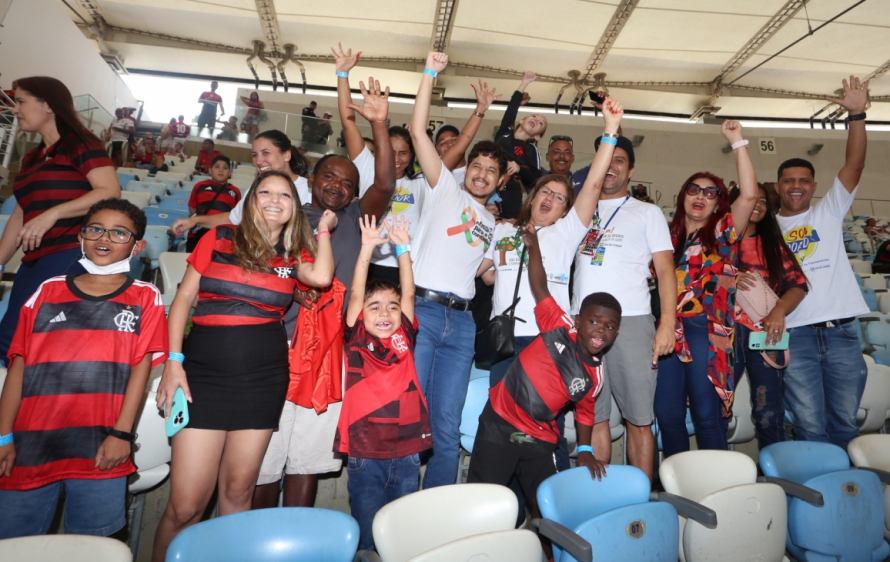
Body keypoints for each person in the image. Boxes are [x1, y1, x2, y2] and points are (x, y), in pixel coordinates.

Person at [151, 171, 336, 561]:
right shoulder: (219, 237)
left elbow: (321, 277)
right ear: (250, 200)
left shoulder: (291, 256)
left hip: (262, 380)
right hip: (202, 376)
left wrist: (323, 230)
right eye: (265, 191)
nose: (274, 200)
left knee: (238, 493)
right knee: (185, 507)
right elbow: (182, 300)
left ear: (294, 207)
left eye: (285, 195)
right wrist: (173, 362)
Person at [248, 80, 396, 510]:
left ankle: (297, 535)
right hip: (276, 347)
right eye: (329, 176)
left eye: (347, 182)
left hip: (331, 353)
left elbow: (386, 183)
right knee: (264, 461)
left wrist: (380, 125)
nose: (337, 185)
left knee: (307, 461)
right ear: (310, 179)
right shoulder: (282, 214)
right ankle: (257, 538)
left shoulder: (356, 218)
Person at [477, 96, 623, 520]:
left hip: (549, 344)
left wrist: (610, 132)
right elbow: (483, 276)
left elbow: (592, 187)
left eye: (560, 197)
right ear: (533, 193)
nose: (551, 199)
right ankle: (509, 517)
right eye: (546, 191)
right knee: (500, 435)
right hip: (506, 345)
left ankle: (550, 515)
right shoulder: (503, 232)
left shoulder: (566, 233)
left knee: (547, 435)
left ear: (565, 208)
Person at [0, 199, 167, 539]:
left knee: (94, 545)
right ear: (81, 237)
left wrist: (122, 435)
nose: (104, 237)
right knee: (14, 543)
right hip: (31, 444)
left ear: (137, 247)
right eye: (95, 229)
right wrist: (3, 436)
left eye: (119, 232)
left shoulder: (146, 297)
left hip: (102, 446)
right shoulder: (47, 291)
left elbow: (140, 371)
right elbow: (18, 367)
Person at [468, 224, 619, 531]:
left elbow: (585, 413)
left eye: (610, 326)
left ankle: (552, 549)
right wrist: (534, 247)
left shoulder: (594, 376)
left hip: (538, 439)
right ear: (578, 320)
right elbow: (539, 284)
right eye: (594, 321)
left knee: (550, 510)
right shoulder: (557, 326)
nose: (601, 330)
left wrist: (586, 451)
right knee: (484, 503)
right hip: (498, 424)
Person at [407, 52, 504, 489]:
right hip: (422, 312)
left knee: (446, 427)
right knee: (411, 416)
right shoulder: (443, 188)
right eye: (477, 166)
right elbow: (417, 130)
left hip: (462, 323)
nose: (482, 174)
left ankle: (436, 512)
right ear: (466, 170)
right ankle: (400, 512)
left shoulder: (494, 225)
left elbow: (486, 274)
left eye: (491, 170)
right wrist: (430, 72)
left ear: (500, 180)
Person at [571, 133, 675, 482]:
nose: (611, 166)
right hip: (582, 324)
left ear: (631, 171)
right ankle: (600, 496)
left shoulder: (647, 212)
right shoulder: (579, 209)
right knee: (594, 416)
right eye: (606, 159)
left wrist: (666, 323)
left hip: (631, 322)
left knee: (639, 419)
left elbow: (665, 270)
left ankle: (640, 496)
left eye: (620, 160)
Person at [775, 75, 869, 452]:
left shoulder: (828, 212)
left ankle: (847, 488)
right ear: (778, 186)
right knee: (809, 427)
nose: (796, 186)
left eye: (803, 180)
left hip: (841, 332)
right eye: (788, 181)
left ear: (814, 187)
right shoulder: (768, 229)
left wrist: (857, 115)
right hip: (796, 334)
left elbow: (855, 165)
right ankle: (818, 488)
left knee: (845, 424)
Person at [0, 77, 121, 366]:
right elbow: (20, 214)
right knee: (8, 339)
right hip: (35, 258)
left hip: (70, 251)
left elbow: (110, 190)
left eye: (21, 101)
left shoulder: (80, 142)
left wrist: (53, 213)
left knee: (25, 337)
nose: (15, 109)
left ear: (48, 105)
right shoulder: (32, 157)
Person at [655, 120, 758, 458]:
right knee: (668, 416)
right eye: (694, 190)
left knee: (706, 416)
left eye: (710, 193)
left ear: (718, 204)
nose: (701, 196)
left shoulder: (724, 232)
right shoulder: (662, 236)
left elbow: (750, 195)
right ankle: (677, 481)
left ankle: (719, 482)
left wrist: (737, 141)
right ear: (682, 195)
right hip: (667, 330)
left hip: (706, 331)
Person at [336, 215, 430, 551]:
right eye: (374, 308)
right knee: (367, 533)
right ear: (361, 314)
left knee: (400, 533)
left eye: (391, 307)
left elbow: (409, 292)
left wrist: (403, 248)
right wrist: (367, 248)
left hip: (407, 451)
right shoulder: (357, 338)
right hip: (365, 452)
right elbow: (356, 292)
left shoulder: (405, 335)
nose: (385, 313)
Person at [732, 184, 807, 449]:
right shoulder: (716, 243)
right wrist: (727, 277)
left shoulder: (773, 245)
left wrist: (779, 310)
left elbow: (798, 285)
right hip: (723, 334)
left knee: (769, 409)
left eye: (763, 201)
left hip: (765, 333)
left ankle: (774, 467)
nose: (758, 205)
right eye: (751, 199)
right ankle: (716, 468)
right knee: (716, 406)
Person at [171, 130, 312, 238]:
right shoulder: (255, 189)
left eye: (265, 153)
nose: (258, 161)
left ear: (286, 155)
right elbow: (232, 218)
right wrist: (195, 220)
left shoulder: (309, 189)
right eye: (255, 155)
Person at [495, 72, 547, 218]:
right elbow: (510, 111)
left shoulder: (532, 150)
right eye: (534, 116)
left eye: (541, 123)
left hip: (511, 190)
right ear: (521, 120)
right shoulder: (505, 133)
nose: (536, 120)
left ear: (537, 137)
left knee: (507, 223)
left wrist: (519, 169)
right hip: (490, 179)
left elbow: (536, 177)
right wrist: (524, 83)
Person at [186, 155, 240, 252]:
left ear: (230, 173)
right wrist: (201, 222)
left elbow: (237, 215)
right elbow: (192, 207)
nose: (221, 170)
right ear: (210, 170)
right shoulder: (200, 186)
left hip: (222, 236)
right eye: (217, 167)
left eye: (225, 168)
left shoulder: (235, 191)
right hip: (198, 234)